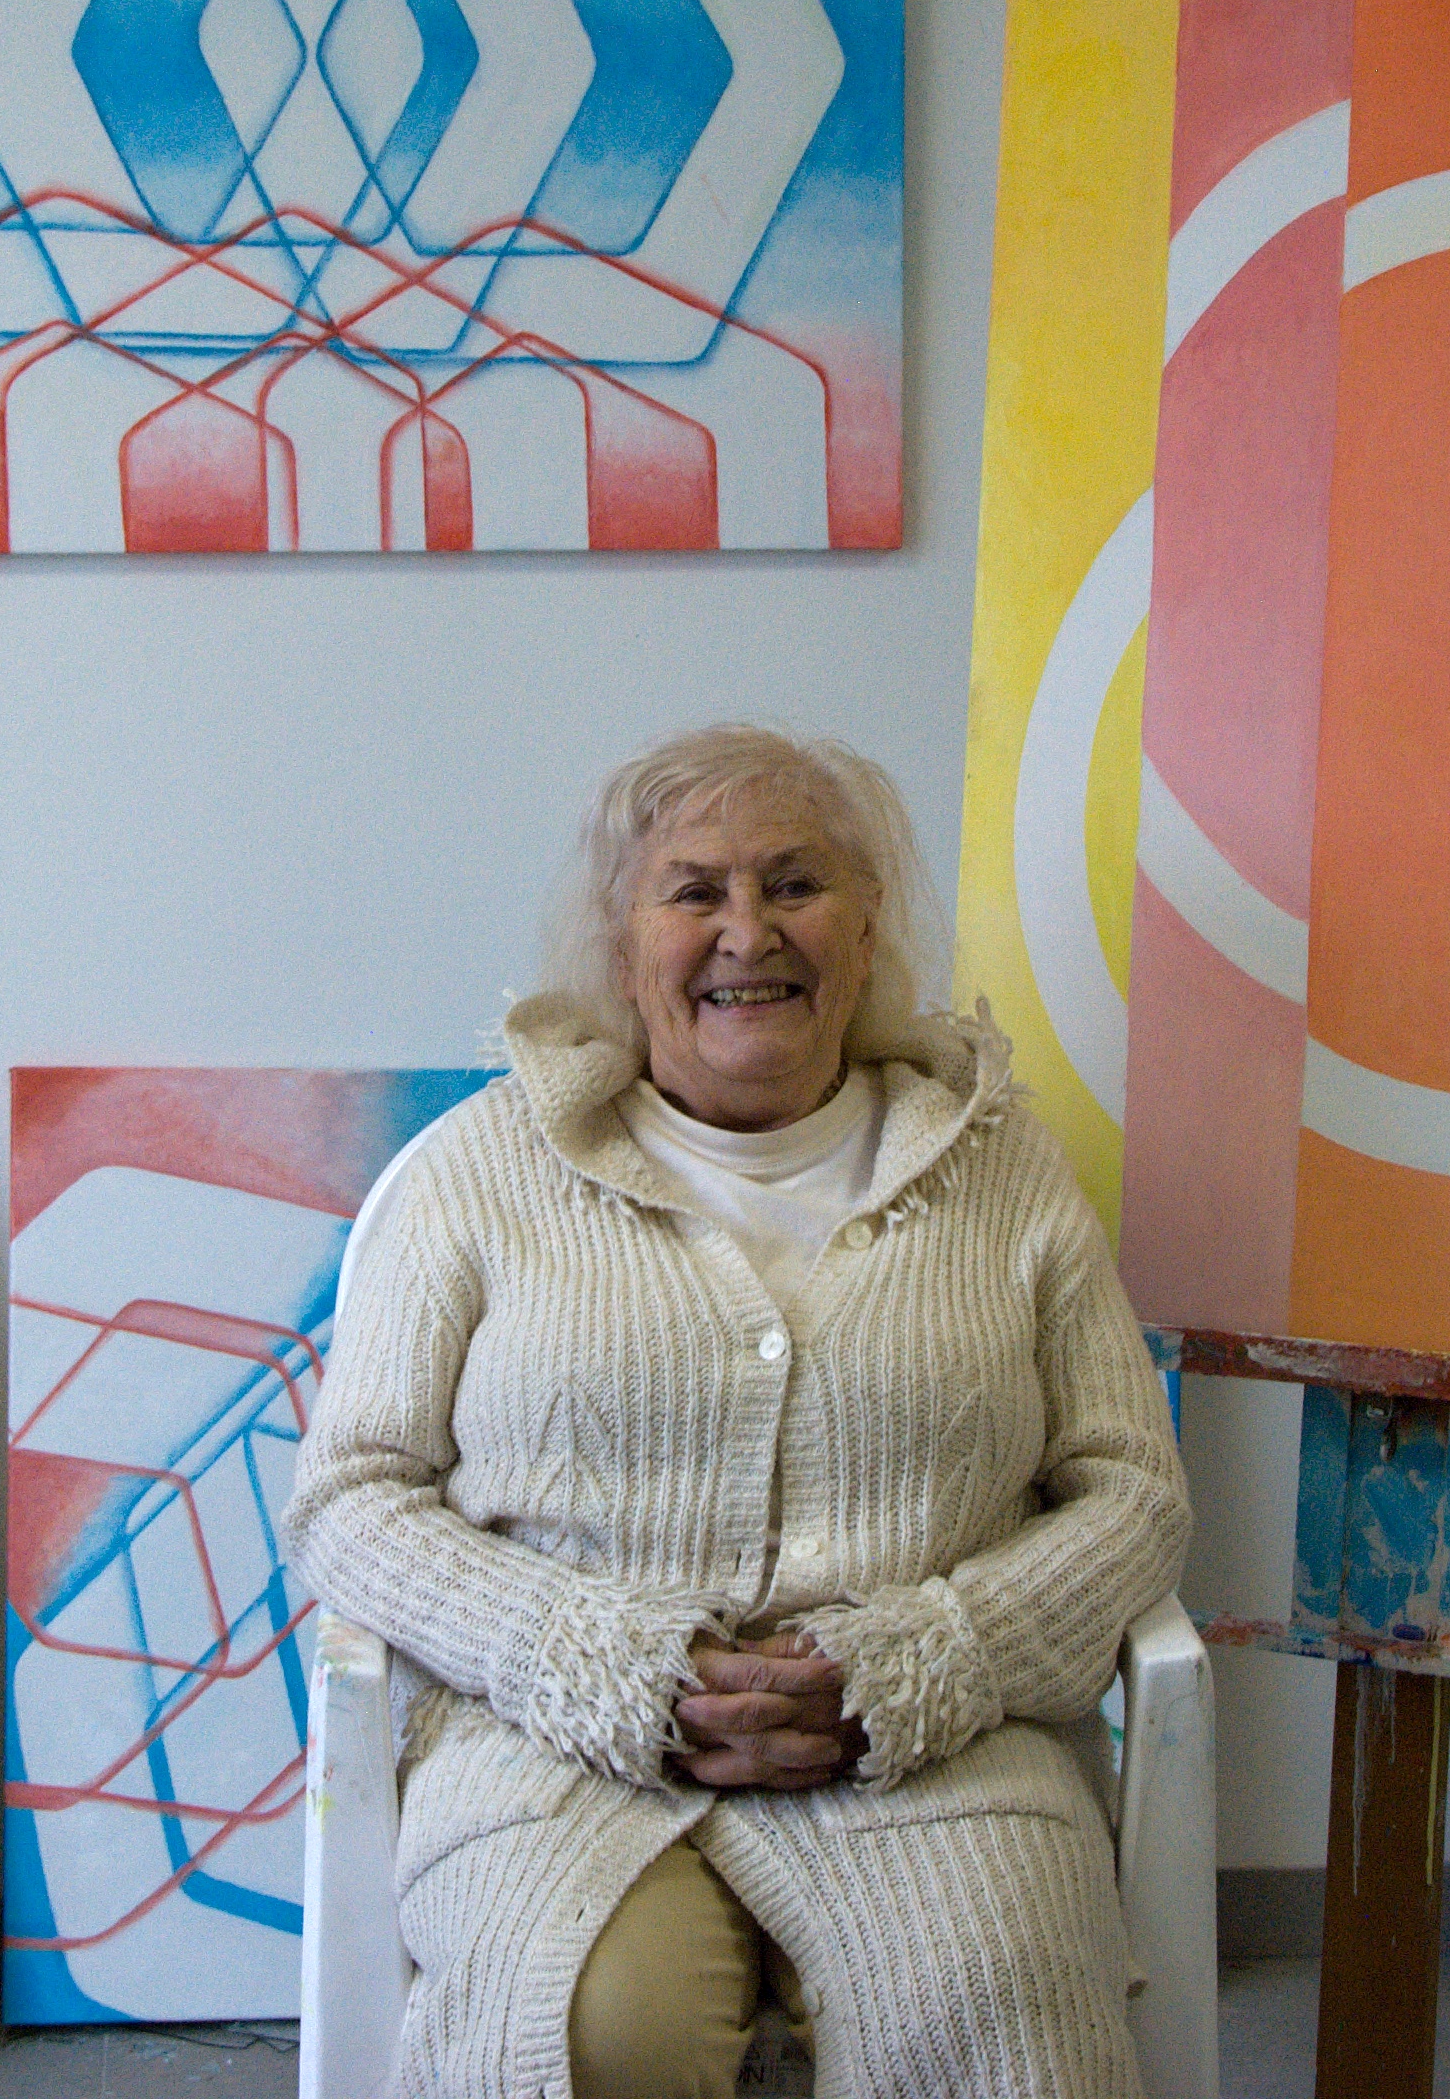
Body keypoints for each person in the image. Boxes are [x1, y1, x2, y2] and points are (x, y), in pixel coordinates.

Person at [284, 724, 1192, 2099]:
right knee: (586, 2038)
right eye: (695, 891)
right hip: (558, 1762)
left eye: (796, 884)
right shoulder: (482, 1172)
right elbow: (352, 1496)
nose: (748, 933)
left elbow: (1132, 1489)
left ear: (867, 928)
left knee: (1000, 2015)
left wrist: (930, 1658)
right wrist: (588, 1656)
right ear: (623, 940)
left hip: (936, 1764)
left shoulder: (1002, 1169)